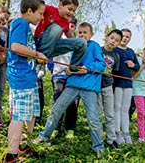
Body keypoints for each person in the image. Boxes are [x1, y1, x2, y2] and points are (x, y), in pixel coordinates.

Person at [33, 22, 106, 158]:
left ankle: (98, 147)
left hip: (88, 88)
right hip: (72, 84)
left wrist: (87, 67)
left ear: (91, 34)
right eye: (80, 32)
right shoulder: (76, 46)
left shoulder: (94, 46)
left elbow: (102, 64)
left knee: (93, 119)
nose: (82, 35)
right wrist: (68, 70)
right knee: (56, 110)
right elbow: (70, 65)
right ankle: (44, 136)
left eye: (85, 32)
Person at [3, 0, 47, 163]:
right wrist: (37, 54)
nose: (41, 17)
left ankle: (23, 145)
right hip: (20, 77)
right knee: (20, 115)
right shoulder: (20, 23)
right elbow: (15, 47)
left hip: (29, 77)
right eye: (40, 13)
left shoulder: (27, 27)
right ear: (29, 10)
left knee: (32, 114)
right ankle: (11, 155)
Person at [34, 0, 87, 73]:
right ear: (61, 5)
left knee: (82, 42)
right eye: (70, 9)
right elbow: (36, 7)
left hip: (53, 47)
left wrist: (77, 41)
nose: (71, 13)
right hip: (39, 43)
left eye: (74, 11)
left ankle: (74, 67)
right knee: (56, 29)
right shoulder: (49, 9)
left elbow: (70, 37)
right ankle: (40, 61)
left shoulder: (67, 22)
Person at [49, 16, 80, 139]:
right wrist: (53, 69)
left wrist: (72, 70)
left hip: (72, 78)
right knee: (58, 102)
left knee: (72, 103)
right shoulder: (57, 40)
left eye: (72, 26)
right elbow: (50, 58)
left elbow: (79, 60)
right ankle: (55, 127)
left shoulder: (77, 42)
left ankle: (70, 128)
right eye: (68, 25)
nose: (70, 28)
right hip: (58, 76)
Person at [113, 28, 140, 144]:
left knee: (125, 109)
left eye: (127, 37)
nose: (125, 38)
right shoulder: (115, 50)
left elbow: (138, 66)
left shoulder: (131, 51)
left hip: (128, 84)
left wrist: (133, 64)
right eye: (123, 36)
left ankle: (126, 133)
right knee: (117, 108)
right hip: (117, 83)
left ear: (129, 39)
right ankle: (117, 133)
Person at [98, 29, 122, 150]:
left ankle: (111, 140)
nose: (113, 41)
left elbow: (114, 71)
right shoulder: (98, 50)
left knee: (110, 114)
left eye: (117, 40)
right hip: (96, 86)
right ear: (107, 37)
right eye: (112, 38)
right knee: (97, 114)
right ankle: (98, 139)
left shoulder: (116, 56)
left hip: (107, 86)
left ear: (118, 43)